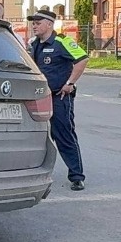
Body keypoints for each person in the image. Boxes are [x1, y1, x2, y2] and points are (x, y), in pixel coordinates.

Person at [27, 10, 89, 191]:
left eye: (38, 22)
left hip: (59, 97)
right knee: (36, 135)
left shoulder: (62, 41)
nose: (34, 25)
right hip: (40, 98)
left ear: (49, 24)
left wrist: (70, 83)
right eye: (33, 22)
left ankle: (77, 176)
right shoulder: (35, 45)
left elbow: (82, 59)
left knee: (64, 135)